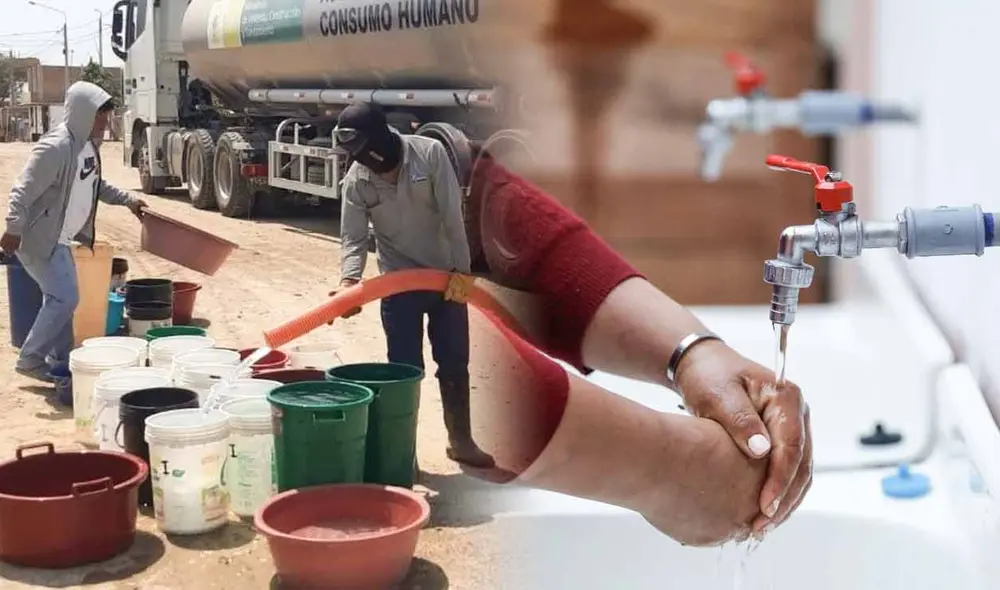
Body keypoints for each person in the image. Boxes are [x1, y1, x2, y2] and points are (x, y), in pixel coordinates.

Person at [334, 102, 495, 469]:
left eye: (365, 153)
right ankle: (402, 452)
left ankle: (462, 441)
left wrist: (462, 274)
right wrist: (349, 282)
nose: (362, 162)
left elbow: (454, 217)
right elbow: (353, 239)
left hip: (446, 278)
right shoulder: (357, 180)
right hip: (398, 283)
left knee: (454, 362)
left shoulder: (430, 154)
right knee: (403, 372)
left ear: (380, 140)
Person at [1, 81, 147, 382]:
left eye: (106, 115)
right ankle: (30, 360)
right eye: (99, 115)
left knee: (62, 298)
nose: (105, 122)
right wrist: (13, 227)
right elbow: (22, 191)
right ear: (83, 112)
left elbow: (96, 185)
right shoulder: (55, 148)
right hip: (38, 239)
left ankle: (61, 362)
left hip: (61, 239)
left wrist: (129, 201)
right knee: (64, 298)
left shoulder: (87, 147)